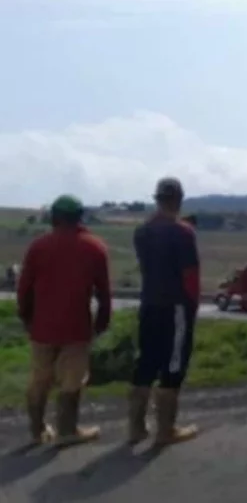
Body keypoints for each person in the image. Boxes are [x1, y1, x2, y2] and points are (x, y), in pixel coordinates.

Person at [18, 194, 111, 446]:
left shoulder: (38, 247)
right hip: (76, 327)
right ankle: (67, 431)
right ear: (80, 217)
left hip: (42, 326)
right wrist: (101, 322)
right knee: (72, 381)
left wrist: (26, 318)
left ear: (54, 218)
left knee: (40, 379)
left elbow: (24, 288)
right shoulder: (95, 247)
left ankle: (37, 431)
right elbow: (104, 292)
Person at [128, 177, 200, 446]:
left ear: (157, 199)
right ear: (179, 200)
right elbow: (190, 276)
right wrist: (192, 306)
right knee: (173, 365)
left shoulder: (142, 231)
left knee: (145, 362)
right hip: (176, 306)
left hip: (149, 304)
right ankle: (165, 430)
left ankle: (135, 427)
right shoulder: (183, 233)